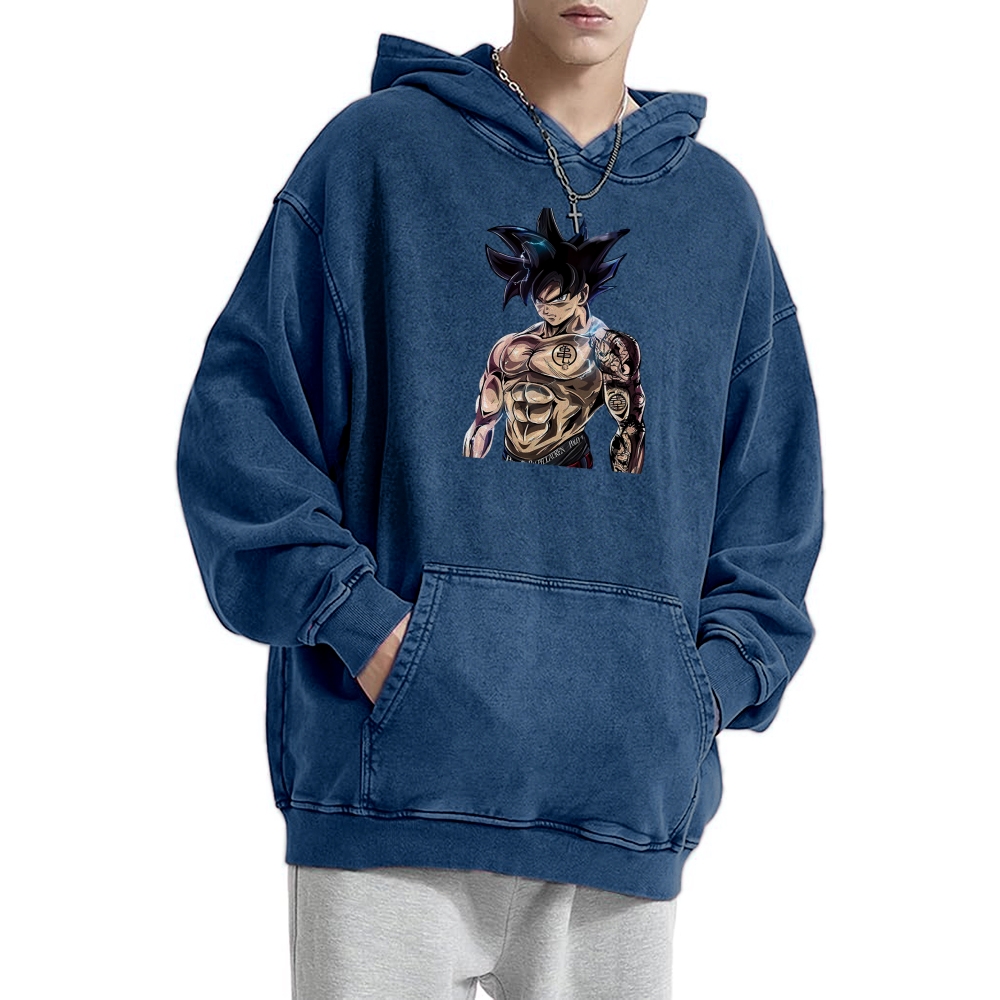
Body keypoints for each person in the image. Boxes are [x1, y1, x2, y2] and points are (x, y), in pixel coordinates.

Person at [176, 2, 824, 997]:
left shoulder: (716, 215)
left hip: (619, 806)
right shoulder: (376, 158)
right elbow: (241, 436)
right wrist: (376, 636)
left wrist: (692, 694)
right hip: (390, 798)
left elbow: (771, 503)